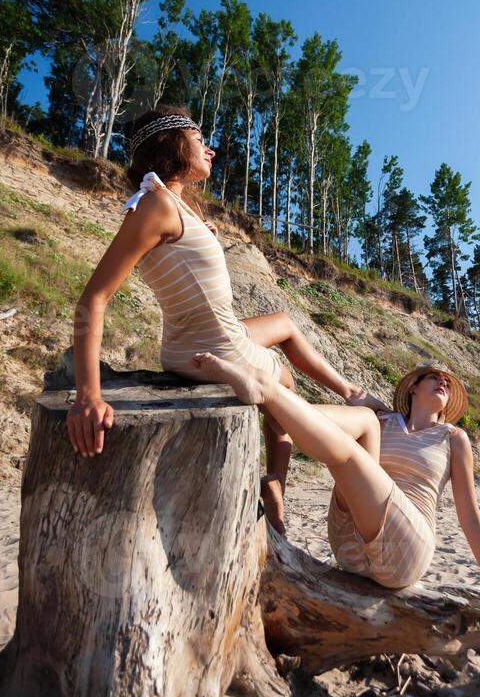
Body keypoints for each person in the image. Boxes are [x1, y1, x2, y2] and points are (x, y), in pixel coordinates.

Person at [66, 106, 384, 533]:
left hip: (191, 340)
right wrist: (89, 395)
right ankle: (277, 482)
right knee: (284, 379)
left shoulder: (171, 204)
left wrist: (204, 236)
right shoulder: (159, 204)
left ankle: (351, 392)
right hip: (216, 348)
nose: (210, 149)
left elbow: (180, 262)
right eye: (200, 141)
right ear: (173, 144)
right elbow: (93, 298)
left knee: (286, 323)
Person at [190, 353, 480, 611]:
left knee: (352, 449)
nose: (443, 383)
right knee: (363, 421)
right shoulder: (384, 420)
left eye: (448, 384)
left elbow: (469, 516)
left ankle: (268, 391)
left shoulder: (453, 438)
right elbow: (349, 420)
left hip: (405, 550)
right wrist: (361, 404)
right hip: (350, 545)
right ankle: (276, 399)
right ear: (413, 388)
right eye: (435, 378)